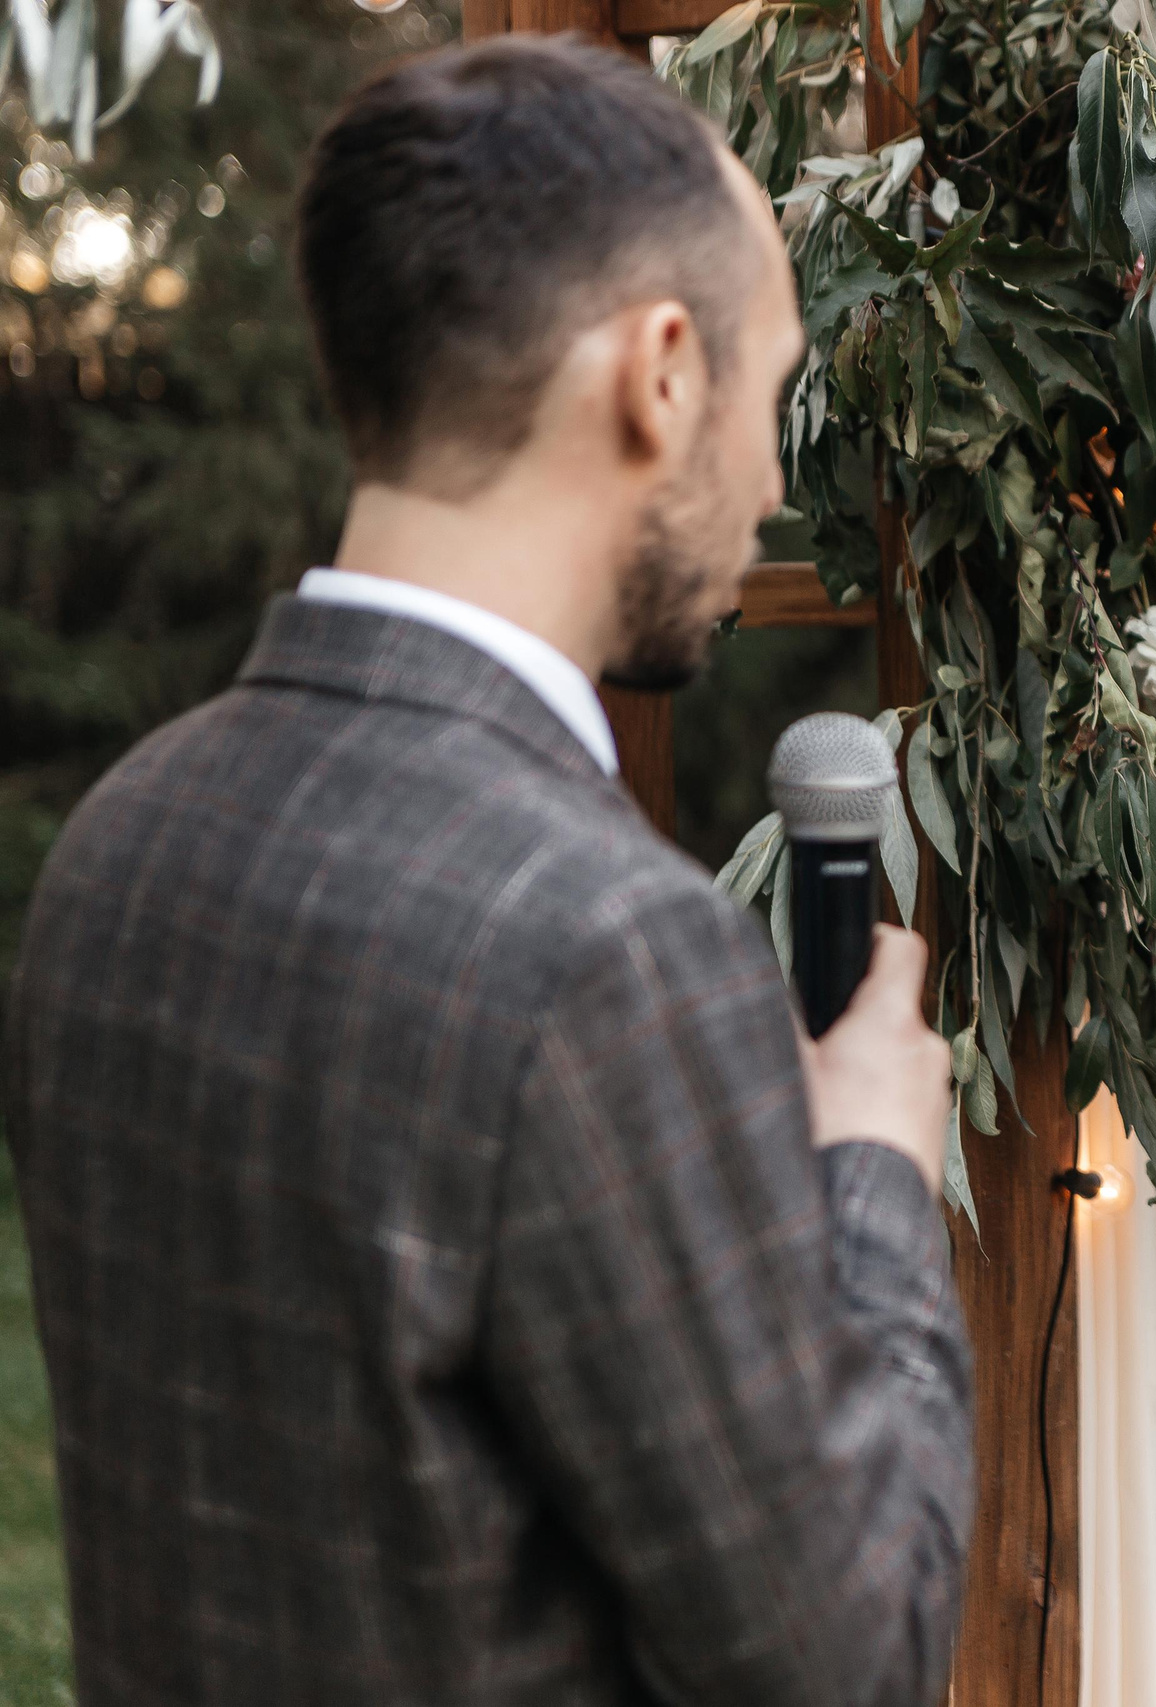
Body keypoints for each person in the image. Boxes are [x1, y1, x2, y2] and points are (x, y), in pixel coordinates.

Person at [1, 38, 971, 1707]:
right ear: (661, 374)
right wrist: (872, 1170)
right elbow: (847, 1656)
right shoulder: (606, 951)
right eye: (771, 390)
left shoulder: (123, 837)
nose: (774, 483)